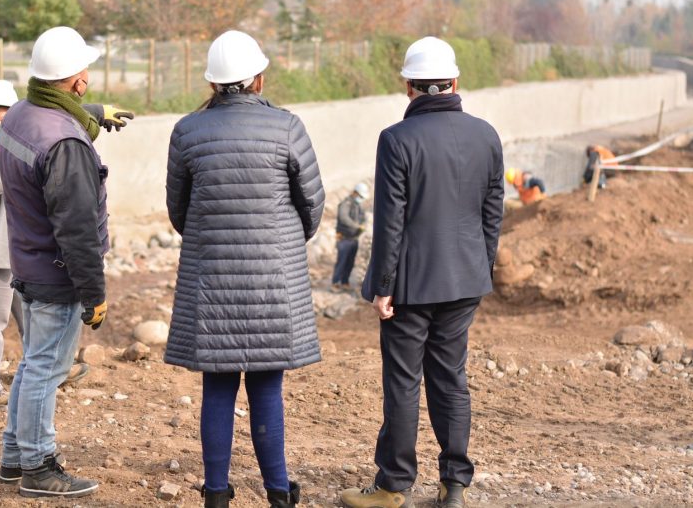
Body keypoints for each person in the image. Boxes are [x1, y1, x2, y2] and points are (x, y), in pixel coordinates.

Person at [165, 30, 326, 508]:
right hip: (272, 282)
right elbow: (312, 204)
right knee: (266, 385)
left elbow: (178, 210)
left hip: (211, 280)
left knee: (216, 385)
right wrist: (284, 240)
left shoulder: (187, 131)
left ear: (213, 84)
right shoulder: (287, 127)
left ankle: (216, 493)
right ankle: (278, 491)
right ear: (258, 78)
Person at [341, 37, 503, 508]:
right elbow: (492, 211)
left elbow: (391, 220)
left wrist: (383, 287)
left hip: (410, 286)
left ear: (409, 88)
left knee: (403, 382)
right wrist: (479, 267)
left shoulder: (396, 139)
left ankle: (393, 486)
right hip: (465, 280)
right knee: (451, 378)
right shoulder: (486, 135)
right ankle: (454, 484)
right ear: (454, 83)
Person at [0, 26, 127, 499]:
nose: (88, 77)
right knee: (47, 370)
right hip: (56, 274)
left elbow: (47, 122)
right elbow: (77, 230)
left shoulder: (17, 115)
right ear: (75, 81)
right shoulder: (66, 146)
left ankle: (14, 458)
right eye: (84, 72)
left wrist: (89, 115)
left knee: (33, 365)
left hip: (28, 263)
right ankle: (37, 465)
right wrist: (94, 293)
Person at [0, 81, 102, 411]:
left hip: (13, 249)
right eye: (2, 119)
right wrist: (37, 159)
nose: (8, 127)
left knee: (32, 320)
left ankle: (52, 371)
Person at [332, 182, 370, 291]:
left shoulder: (358, 206)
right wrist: (357, 226)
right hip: (344, 239)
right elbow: (344, 218)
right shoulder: (345, 204)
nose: (361, 199)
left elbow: (363, 218)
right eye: (360, 196)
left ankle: (345, 281)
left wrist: (363, 224)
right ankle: (335, 283)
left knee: (350, 262)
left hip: (354, 239)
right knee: (342, 261)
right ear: (355, 193)